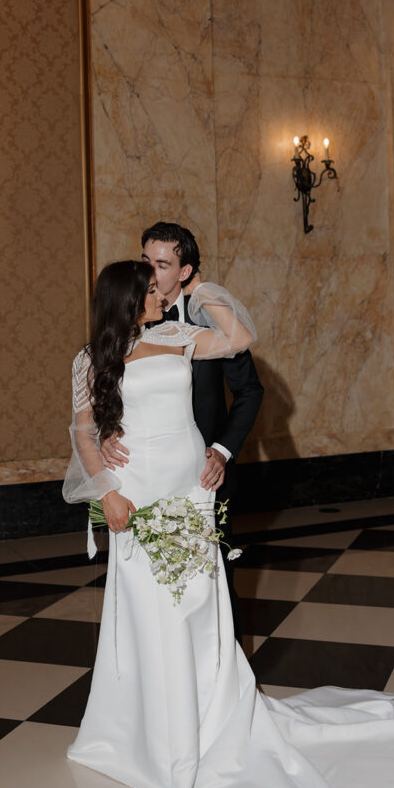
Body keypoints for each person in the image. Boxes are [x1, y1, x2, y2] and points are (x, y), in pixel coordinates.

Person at [62, 260, 394, 788]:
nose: (159, 293)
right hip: (136, 493)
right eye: (150, 288)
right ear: (125, 298)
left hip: (189, 489)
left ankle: (210, 720)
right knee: (148, 609)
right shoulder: (90, 359)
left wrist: (197, 288)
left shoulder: (178, 334)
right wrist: (108, 491)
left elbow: (240, 336)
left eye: (163, 283)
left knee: (197, 605)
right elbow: (83, 430)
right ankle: (151, 734)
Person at [100, 222, 264, 643]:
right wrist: (107, 433)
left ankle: (226, 679)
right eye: (146, 261)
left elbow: (249, 391)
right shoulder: (124, 321)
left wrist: (222, 451)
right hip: (144, 473)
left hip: (203, 471)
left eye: (163, 264)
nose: (151, 273)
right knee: (146, 578)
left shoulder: (202, 321)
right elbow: (103, 389)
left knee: (212, 578)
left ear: (186, 272)